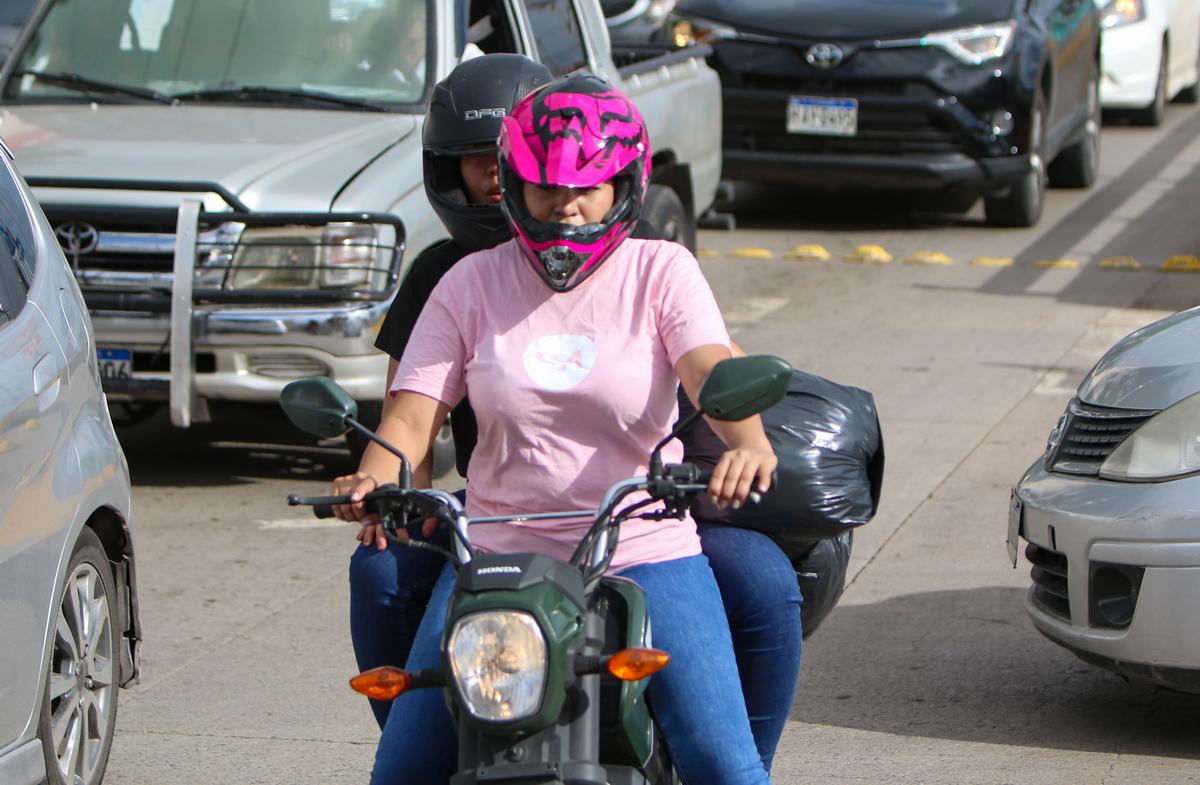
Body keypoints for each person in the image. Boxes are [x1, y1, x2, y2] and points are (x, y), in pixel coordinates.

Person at [343, 69, 801, 782]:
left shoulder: (662, 270)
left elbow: (710, 368)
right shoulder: (466, 283)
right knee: (400, 770)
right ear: (515, 185)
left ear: (624, 186)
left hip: (646, 549)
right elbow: (409, 417)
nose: (568, 207)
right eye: (548, 188)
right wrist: (375, 476)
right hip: (494, 559)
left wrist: (751, 442)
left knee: (724, 763)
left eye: (588, 186)